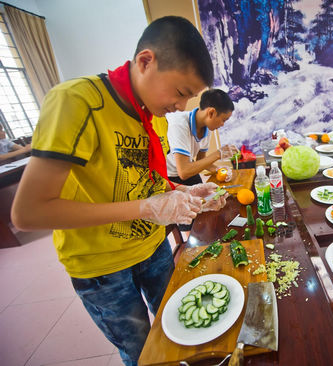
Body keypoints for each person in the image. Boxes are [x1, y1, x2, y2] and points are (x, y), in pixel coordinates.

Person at [11, 16, 227, 366]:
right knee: (143, 352)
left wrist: (184, 192)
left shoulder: (152, 113)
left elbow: (141, 179)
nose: (182, 106)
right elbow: (29, 212)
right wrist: (145, 208)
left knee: (183, 326)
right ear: (146, 61)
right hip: (101, 267)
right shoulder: (77, 101)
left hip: (152, 246)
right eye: (181, 92)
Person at [166, 89, 236, 231]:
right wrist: (217, 154)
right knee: (190, 221)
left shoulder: (206, 128)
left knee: (209, 209)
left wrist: (218, 170)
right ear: (211, 113)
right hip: (171, 177)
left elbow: (202, 162)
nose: (223, 124)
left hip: (189, 171)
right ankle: (190, 244)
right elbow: (184, 172)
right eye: (223, 119)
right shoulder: (179, 125)